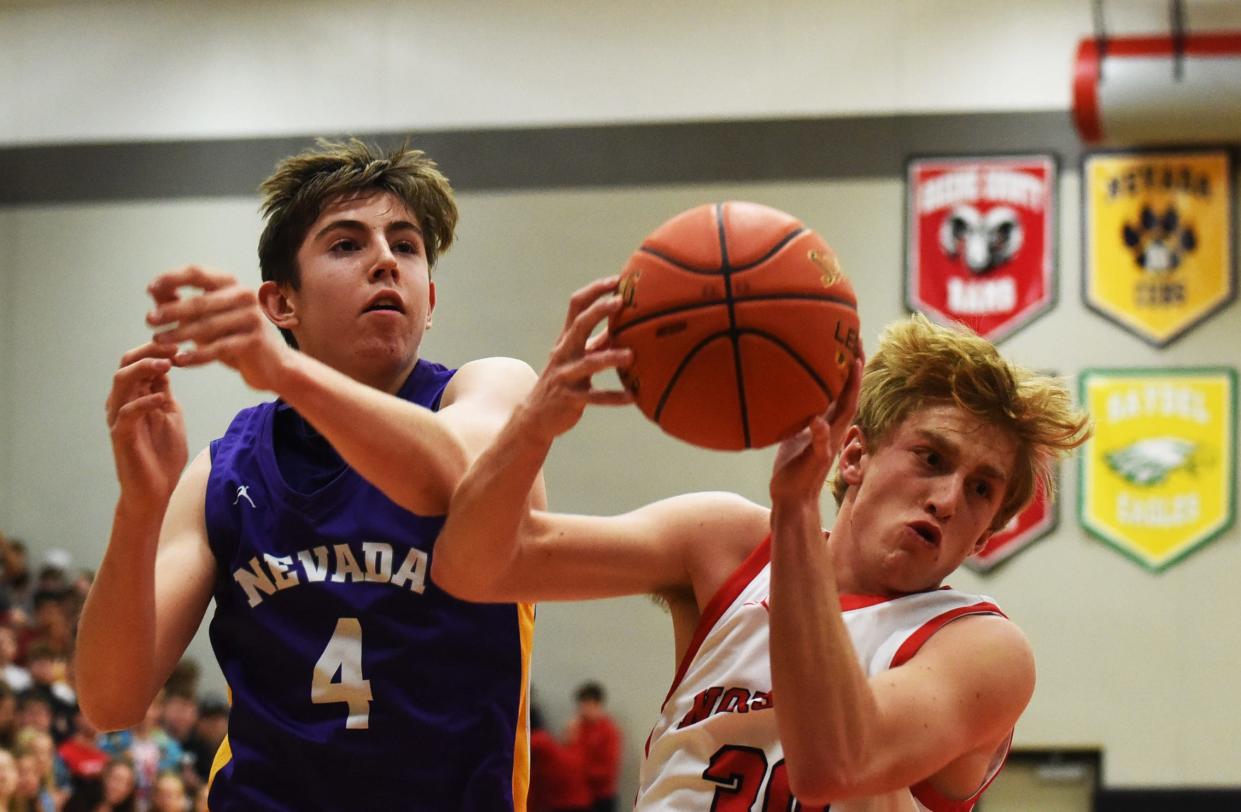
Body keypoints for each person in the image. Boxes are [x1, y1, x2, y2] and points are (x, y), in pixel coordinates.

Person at [426, 279, 1090, 810]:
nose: (947, 498)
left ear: (987, 533)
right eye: (930, 458)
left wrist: (795, 509)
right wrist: (534, 423)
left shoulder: (978, 649)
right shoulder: (723, 543)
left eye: (980, 490)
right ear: (853, 455)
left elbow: (834, 761)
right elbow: (476, 569)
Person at [76, 139, 543, 810]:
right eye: (347, 244)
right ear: (281, 303)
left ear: (430, 299)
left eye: (406, 247)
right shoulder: (223, 470)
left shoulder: (489, 390)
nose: (385, 259)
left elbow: (460, 473)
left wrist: (285, 371)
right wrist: (139, 508)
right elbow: (108, 700)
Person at [565, 682, 621, 812]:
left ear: (597, 704)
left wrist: (581, 770)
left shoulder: (609, 730)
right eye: (581, 705)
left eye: (587, 704)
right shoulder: (577, 727)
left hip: (601, 796)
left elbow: (608, 769)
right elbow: (568, 760)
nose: (583, 710)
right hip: (579, 796)